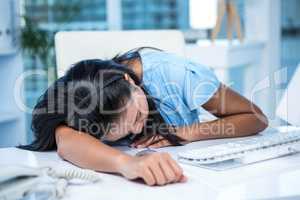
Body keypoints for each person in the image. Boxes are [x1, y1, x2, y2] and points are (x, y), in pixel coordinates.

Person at [19, 47, 268, 186]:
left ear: (130, 81)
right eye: (125, 132)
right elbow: (65, 140)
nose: (136, 129)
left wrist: (186, 132)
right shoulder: (83, 102)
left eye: (138, 116)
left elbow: (256, 117)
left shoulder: (178, 76)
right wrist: (127, 164)